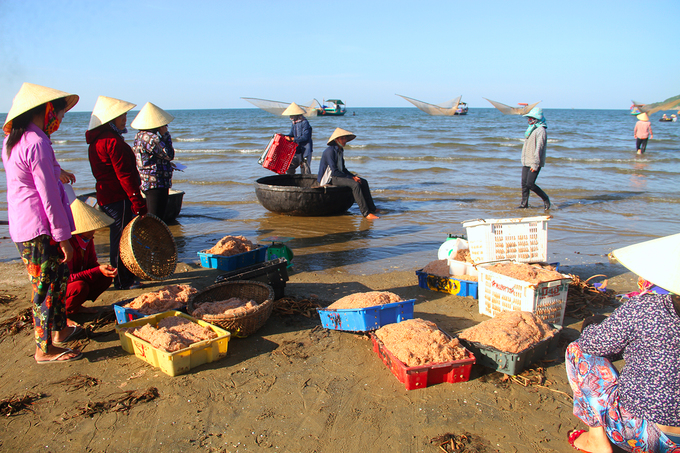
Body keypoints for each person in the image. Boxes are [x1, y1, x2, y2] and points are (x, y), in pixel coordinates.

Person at [565, 233, 680, 453]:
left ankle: (596, 438)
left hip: (646, 437)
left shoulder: (646, 307)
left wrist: (591, 326)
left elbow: (592, 344)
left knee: (578, 350)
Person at [2, 82, 83, 363]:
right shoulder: (37, 143)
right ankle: (43, 348)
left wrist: (58, 171)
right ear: (46, 110)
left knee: (57, 281)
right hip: (39, 228)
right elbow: (47, 197)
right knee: (45, 288)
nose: (60, 119)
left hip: (23, 225)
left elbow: (41, 174)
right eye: (59, 113)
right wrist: (63, 238)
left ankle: (59, 330)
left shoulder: (17, 139)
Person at [86, 96, 147, 290]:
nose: (125, 119)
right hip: (117, 197)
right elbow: (125, 176)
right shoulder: (112, 142)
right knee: (121, 240)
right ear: (110, 120)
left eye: (125, 115)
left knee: (119, 237)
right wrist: (136, 200)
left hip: (107, 196)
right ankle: (122, 280)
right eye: (121, 116)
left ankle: (125, 277)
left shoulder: (98, 141)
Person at [65, 199, 117, 315]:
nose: (93, 231)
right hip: (64, 285)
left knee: (105, 277)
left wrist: (102, 269)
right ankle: (64, 314)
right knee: (79, 287)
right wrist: (97, 270)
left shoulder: (88, 240)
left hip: (77, 279)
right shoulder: (66, 244)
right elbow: (68, 278)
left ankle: (77, 305)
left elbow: (92, 264)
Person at [317, 128, 379, 220]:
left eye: (345, 138)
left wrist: (353, 176)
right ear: (336, 139)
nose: (345, 140)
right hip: (329, 178)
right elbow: (334, 171)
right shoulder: (330, 151)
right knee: (355, 185)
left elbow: (343, 169)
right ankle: (366, 213)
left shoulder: (340, 150)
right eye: (342, 138)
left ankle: (372, 208)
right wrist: (351, 178)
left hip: (337, 175)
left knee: (363, 182)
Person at [131, 102, 176, 221]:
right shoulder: (152, 138)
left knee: (153, 215)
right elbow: (169, 154)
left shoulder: (139, 136)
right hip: (156, 182)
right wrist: (165, 134)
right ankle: (153, 238)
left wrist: (166, 164)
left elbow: (148, 158)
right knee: (156, 218)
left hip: (147, 180)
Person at [518, 107, 550, 210]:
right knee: (524, 184)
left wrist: (535, 164)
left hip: (534, 162)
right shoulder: (531, 129)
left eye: (531, 118)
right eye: (528, 118)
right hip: (526, 160)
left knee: (530, 184)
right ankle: (524, 204)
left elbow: (539, 148)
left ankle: (545, 198)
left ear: (537, 119)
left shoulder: (541, 130)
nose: (529, 120)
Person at [281, 102, 313, 175]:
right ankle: (291, 182)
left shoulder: (305, 123)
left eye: (292, 115)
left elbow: (305, 137)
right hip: (297, 150)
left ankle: (306, 185)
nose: (291, 117)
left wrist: (292, 139)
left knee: (305, 170)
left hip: (306, 150)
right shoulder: (294, 123)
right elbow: (291, 134)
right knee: (289, 167)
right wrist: (284, 136)